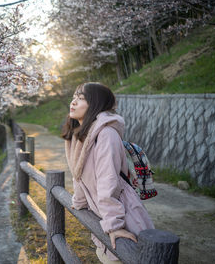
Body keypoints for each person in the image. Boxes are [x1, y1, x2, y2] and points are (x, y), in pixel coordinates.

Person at [62, 82, 154, 264]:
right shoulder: (80, 134)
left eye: (81, 99)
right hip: (104, 214)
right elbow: (78, 174)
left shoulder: (106, 134)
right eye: (74, 97)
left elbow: (108, 181)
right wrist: (79, 201)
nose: (73, 102)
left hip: (123, 215)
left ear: (96, 103)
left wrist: (114, 225)